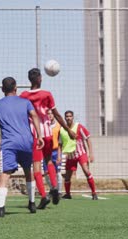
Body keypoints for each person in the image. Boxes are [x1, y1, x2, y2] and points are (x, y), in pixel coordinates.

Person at [0, 77, 44, 218]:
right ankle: (32, 203)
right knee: (28, 170)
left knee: (6, 174)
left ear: (2, 89)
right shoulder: (26, 102)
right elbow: (35, 116)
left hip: (9, 144)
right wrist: (40, 136)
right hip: (27, 142)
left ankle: (1, 209)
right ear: (16, 88)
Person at [20, 68, 76, 210]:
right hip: (47, 133)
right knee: (49, 160)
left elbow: (21, 116)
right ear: (40, 79)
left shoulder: (24, 96)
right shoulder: (47, 94)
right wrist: (68, 129)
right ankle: (55, 188)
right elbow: (56, 114)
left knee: (37, 166)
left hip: (35, 135)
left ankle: (44, 196)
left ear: (29, 80)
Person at [60, 110, 98, 200]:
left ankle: (94, 193)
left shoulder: (79, 127)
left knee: (86, 171)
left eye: (70, 116)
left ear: (73, 117)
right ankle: (68, 194)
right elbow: (60, 144)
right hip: (70, 155)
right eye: (67, 116)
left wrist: (91, 153)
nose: (68, 118)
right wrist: (59, 155)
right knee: (67, 176)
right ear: (65, 118)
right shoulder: (62, 129)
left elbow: (88, 138)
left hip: (81, 153)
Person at [42, 109, 63, 195]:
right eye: (48, 114)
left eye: (51, 113)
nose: (50, 115)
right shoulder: (44, 126)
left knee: (58, 173)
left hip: (55, 152)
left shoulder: (58, 126)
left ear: (54, 115)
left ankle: (60, 191)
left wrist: (59, 155)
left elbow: (60, 143)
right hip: (46, 152)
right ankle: (52, 189)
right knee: (46, 173)